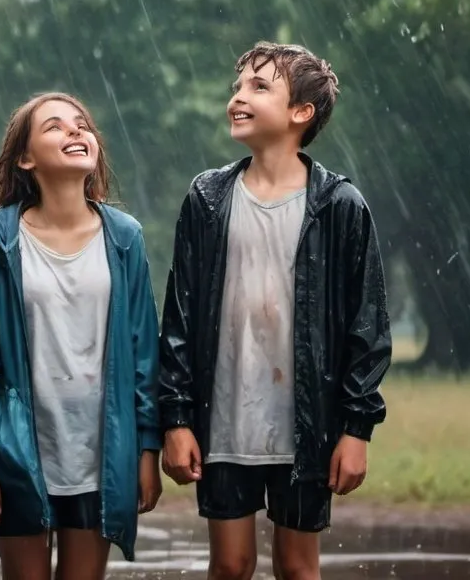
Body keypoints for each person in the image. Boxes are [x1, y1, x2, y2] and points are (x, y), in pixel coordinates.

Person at [159, 41, 392, 580]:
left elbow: (368, 328)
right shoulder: (208, 198)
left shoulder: (339, 206)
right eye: (237, 85)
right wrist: (175, 418)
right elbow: (180, 318)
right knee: (231, 564)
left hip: (308, 427)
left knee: (297, 567)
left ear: (300, 113)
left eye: (258, 87)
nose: (239, 96)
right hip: (224, 419)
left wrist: (357, 430)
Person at [0, 92, 162, 580]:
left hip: (101, 453)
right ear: (26, 159)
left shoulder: (125, 237)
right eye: (55, 127)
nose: (75, 132)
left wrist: (147, 451)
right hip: (18, 449)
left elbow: (143, 350)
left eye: (81, 124)